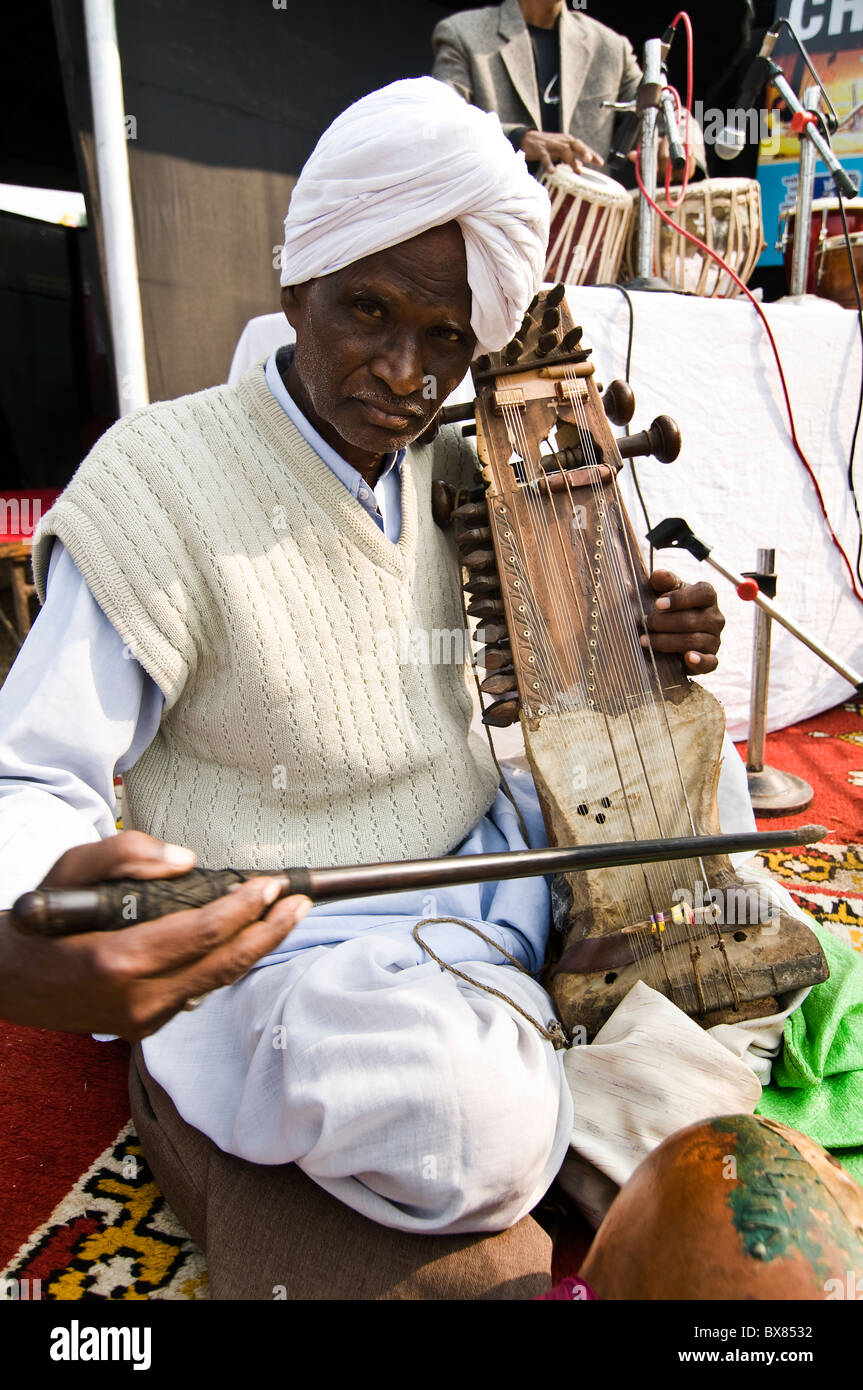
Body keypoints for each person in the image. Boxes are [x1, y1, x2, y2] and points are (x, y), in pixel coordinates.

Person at [0, 78, 743, 1300]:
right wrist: (49, 906)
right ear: (296, 279)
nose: (403, 372)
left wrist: (655, 631)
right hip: (289, 942)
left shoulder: (460, 454)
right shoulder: (158, 477)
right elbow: (34, 775)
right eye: (366, 311)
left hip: (477, 862)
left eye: (446, 340)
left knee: (698, 772)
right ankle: (561, 1081)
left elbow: (573, 643)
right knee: (469, 1119)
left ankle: (542, 1043)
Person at [432, 0, 702, 178]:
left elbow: (665, 110)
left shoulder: (610, 47)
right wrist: (519, 138)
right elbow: (441, 125)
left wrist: (684, 145)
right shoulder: (463, 34)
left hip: (584, 247)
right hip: (492, 232)